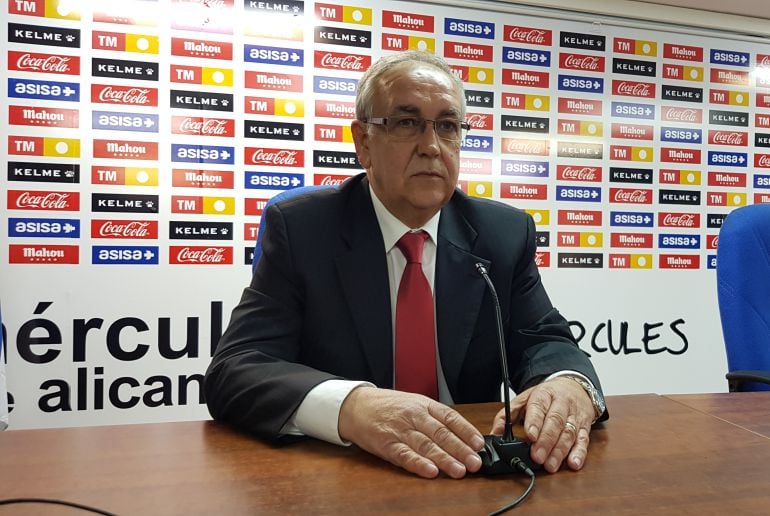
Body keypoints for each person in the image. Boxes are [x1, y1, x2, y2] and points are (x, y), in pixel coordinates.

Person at [204, 50, 607, 479]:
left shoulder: (503, 234)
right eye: (406, 123)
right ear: (363, 143)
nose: (431, 147)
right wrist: (351, 406)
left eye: (447, 127)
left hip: (466, 468)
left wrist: (570, 384)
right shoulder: (303, 229)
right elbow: (237, 368)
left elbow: (545, 340)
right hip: (345, 475)